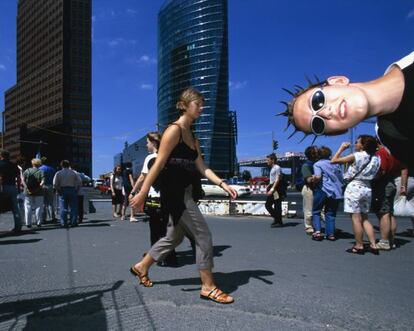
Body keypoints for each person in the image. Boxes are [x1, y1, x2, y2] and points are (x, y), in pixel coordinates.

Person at [129, 87, 237, 304]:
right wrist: (141, 193)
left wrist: (223, 183)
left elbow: (202, 167)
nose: (202, 108)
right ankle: (208, 287)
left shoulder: (192, 135)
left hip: (186, 190)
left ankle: (142, 266)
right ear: (185, 105)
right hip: (176, 193)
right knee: (203, 236)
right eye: (198, 104)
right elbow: (158, 164)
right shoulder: (174, 130)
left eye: (202, 104)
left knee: (174, 237)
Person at [280, 51, 414, 171]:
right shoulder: (392, 140)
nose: (325, 113)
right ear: (337, 132)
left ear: (338, 81)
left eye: (317, 101)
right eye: (318, 124)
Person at [331, 135, 380, 255]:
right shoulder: (376, 158)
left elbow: (334, 160)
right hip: (367, 187)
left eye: (358, 142)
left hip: (354, 187)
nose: (356, 144)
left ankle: (359, 245)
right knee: (365, 218)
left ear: (363, 145)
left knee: (356, 218)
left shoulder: (357, 156)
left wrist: (341, 148)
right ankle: (373, 244)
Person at [371, 142, 405, 250]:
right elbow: (402, 168)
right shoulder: (395, 153)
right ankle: (391, 240)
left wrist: (372, 178)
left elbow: (382, 170)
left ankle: (384, 241)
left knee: (383, 213)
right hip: (392, 182)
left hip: (383, 184)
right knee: (390, 213)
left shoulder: (381, 153)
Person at [310, 146, 343, 241]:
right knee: (330, 213)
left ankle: (317, 232)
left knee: (316, 211)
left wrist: (313, 178)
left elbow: (318, 177)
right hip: (336, 192)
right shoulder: (336, 164)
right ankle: (331, 234)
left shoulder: (318, 164)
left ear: (318, 155)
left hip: (323, 190)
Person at [53, 160, 82, 228]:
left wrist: (58, 190)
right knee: (73, 207)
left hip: (62, 189)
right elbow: (80, 182)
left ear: (61, 165)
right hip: (72, 189)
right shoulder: (74, 172)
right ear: (69, 165)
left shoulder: (59, 173)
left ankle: (63, 222)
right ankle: (73, 222)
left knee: (63, 207)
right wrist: (76, 189)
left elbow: (54, 183)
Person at [0, 149, 22, 233]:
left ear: (1, 155)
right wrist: (19, 187)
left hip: (2, 187)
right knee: (15, 208)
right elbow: (18, 177)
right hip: (13, 187)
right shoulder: (13, 165)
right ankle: (18, 226)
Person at [301, 146, 318, 234]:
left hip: (317, 188)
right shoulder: (306, 165)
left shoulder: (318, 163)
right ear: (312, 154)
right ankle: (309, 227)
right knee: (309, 209)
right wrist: (317, 177)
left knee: (322, 209)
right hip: (309, 188)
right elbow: (308, 179)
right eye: (316, 151)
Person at [23, 158, 44, 228]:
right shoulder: (41, 171)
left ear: (32, 163)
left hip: (28, 191)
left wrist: (26, 187)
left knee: (28, 207)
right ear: (39, 164)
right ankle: (38, 222)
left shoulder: (27, 170)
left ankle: (28, 223)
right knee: (38, 207)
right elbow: (42, 182)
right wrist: (38, 188)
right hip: (39, 192)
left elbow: (23, 180)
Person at [265, 153, 284, 228]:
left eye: (268, 160)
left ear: (272, 160)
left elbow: (278, 179)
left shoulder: (277, 167)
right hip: (273, 187)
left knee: (270, 205)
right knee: (276, 205)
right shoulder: (272, 168)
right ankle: (278, 221)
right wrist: (268, 186)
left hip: (276, 189)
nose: (267, 162)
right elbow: (272, 180)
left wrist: (272, 189)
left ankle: (278, 220)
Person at [39, 157, 57, 222]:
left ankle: (43, 218)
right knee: (50, 202)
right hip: (50, 186)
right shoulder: (52, 169)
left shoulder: (40, 169)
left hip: (42, 186)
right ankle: (52, 217)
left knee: (43, 202)